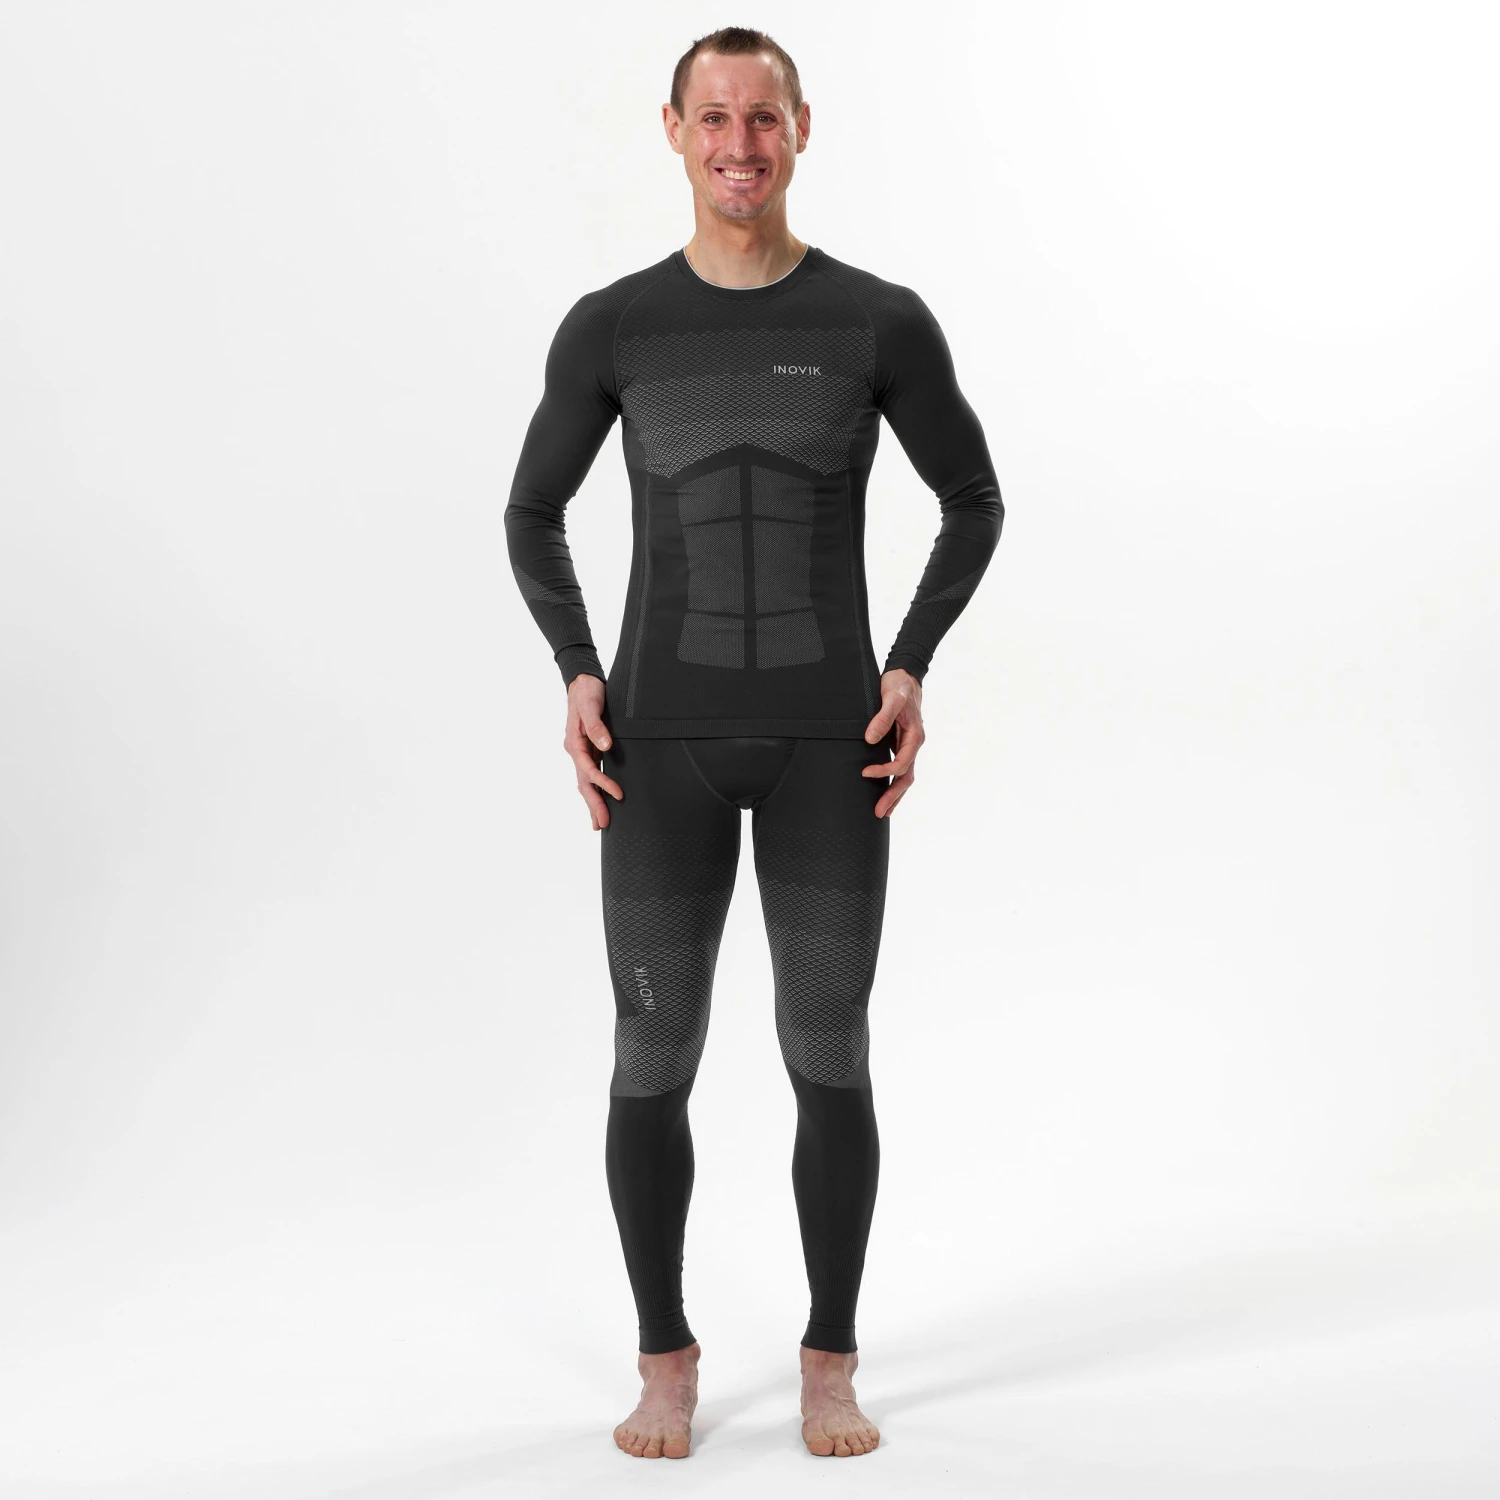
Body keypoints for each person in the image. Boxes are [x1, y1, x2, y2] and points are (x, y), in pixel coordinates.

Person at [504, 25, 1004, 1461]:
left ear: (802, 127)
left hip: (826, 747)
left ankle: (828, 1361)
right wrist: (579, 671)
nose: (740, 145)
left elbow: (973, 500)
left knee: (827, 1046)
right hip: (657, 742)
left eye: (763, 118)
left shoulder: (877, 321)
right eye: (714, 118)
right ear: (672, 129)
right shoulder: (614, 326)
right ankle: (664, 1358)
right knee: (651, 1051)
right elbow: (531, 510)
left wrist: (908, 664)